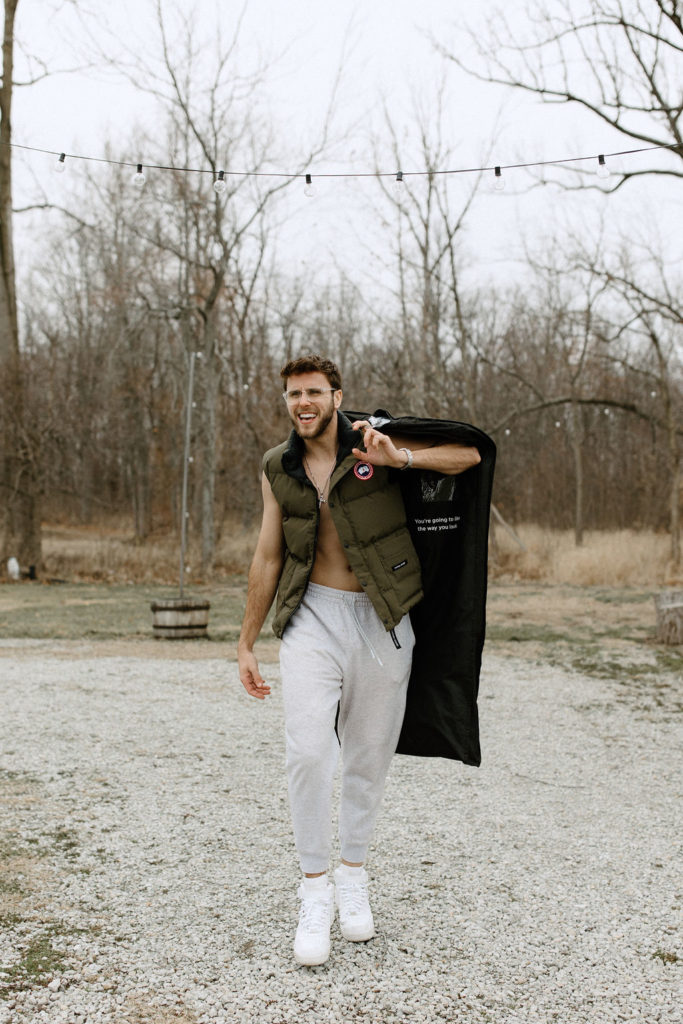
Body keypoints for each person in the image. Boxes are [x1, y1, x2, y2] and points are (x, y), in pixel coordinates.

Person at [237, 354, 481, 967]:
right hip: (312, 618)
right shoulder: (278, 466)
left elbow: (469, 455)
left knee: (368, 758)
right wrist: (246, 642)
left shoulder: (376, 438)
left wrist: (402, 459)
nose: (302, 403)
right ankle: (314, 889)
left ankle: (353, 876)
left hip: (382, 617)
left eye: (313, 391)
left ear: (336, 395)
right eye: (293, 393)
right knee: (310, 752)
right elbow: (268, 556)